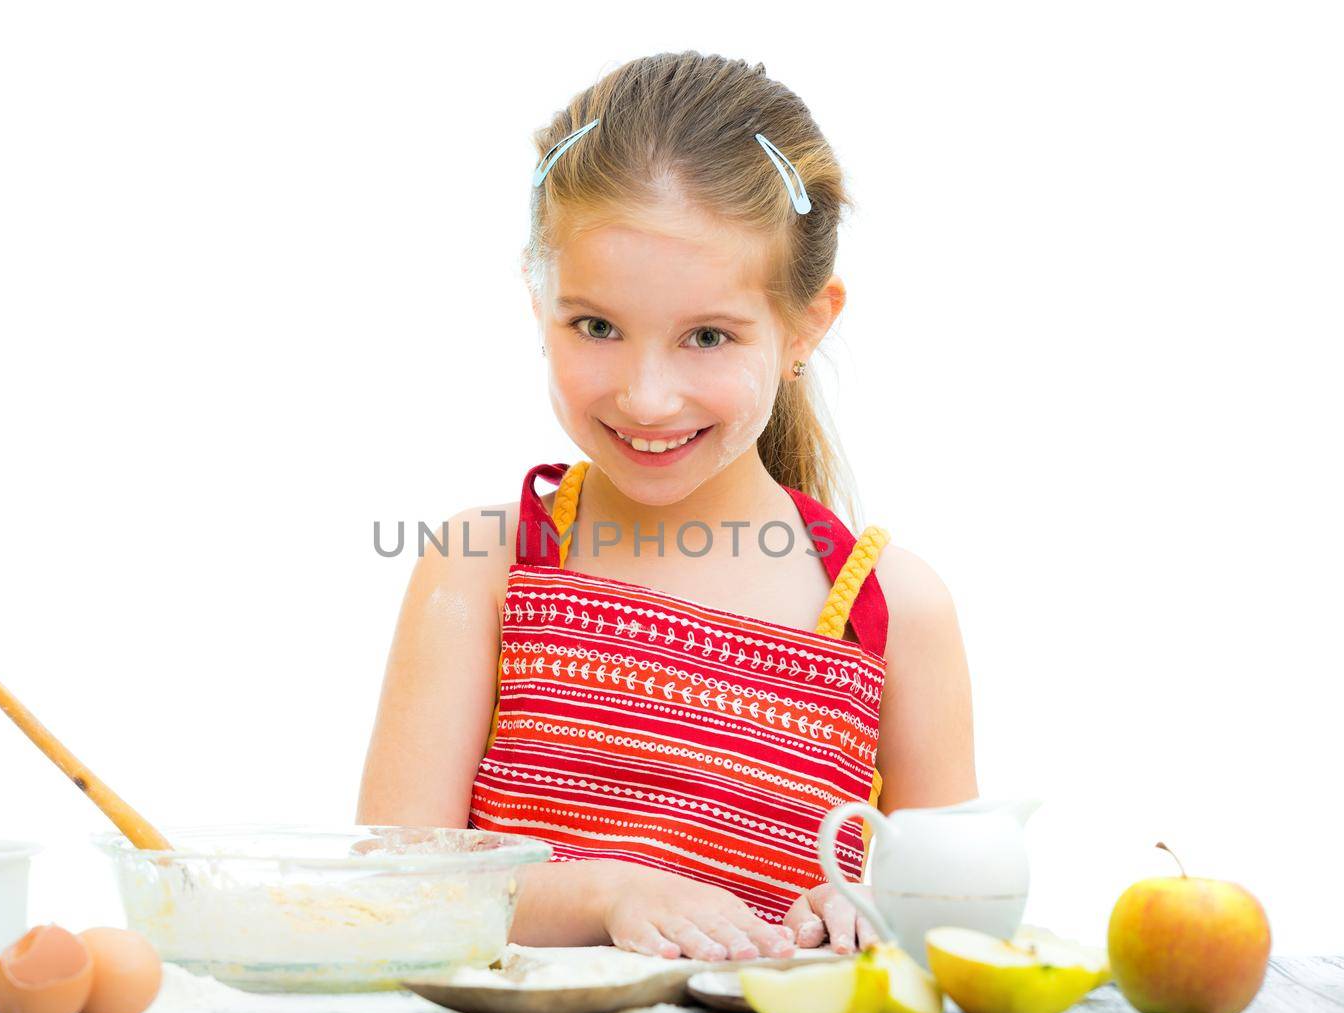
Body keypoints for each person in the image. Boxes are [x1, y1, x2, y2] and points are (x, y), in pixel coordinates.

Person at [357, 51, 976, 963]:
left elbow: (953, 914)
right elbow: (397, 886)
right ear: (538, 301)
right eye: (596, 326)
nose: (647, 398)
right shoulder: (486, 565)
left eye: (709, 337)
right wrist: (608, 890)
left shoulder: (893, 612)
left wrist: (870, 908)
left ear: (806, 325)